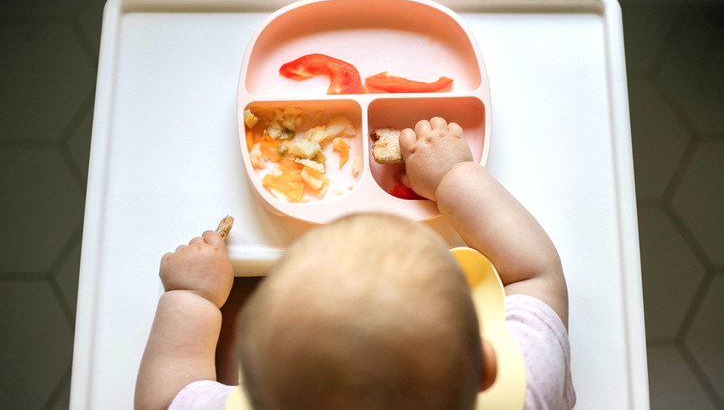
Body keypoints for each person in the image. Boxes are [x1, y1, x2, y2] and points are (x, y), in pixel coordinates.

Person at [135, 117, 576, 410]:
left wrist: (190, 297)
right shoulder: (525, 390)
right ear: (485, 364)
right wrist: (452, 176)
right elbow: (535, 272)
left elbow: (165, 400)